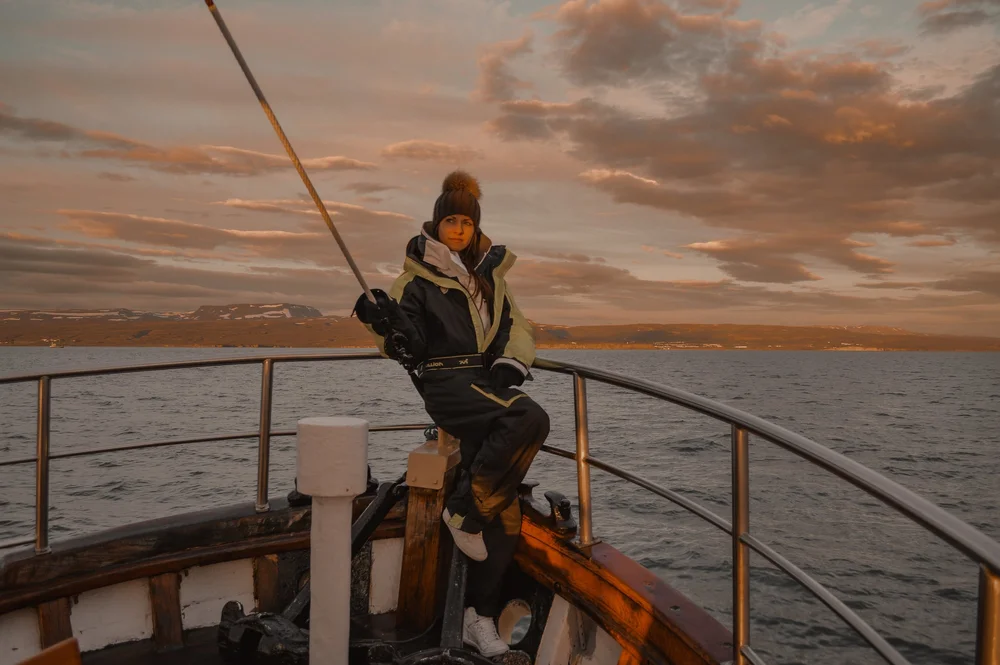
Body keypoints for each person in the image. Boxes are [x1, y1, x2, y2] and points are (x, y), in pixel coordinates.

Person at [353, 170, 550, 658]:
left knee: (505, 513)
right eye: (450, 221)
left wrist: (513, 361)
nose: (458, 229)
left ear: (475, 225)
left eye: (466, 222)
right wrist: (382, 322)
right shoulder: (416, 279)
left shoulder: (490, 276)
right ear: (436, 224)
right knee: (529, 418)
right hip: (446, 383)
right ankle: (462, 510)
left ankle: (476, 618)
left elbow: (518, 326)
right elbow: (407, 343)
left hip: (485, 382)